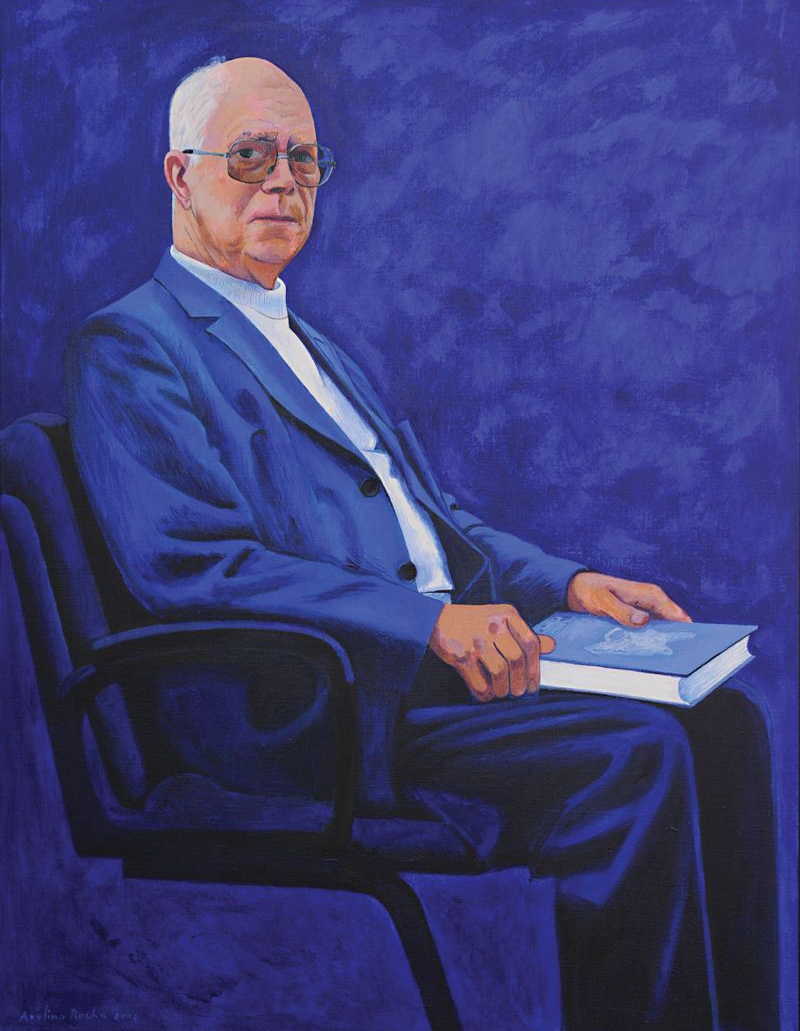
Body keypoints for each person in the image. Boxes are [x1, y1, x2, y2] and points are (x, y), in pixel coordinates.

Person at [65, 57, 777, 1031]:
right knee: (635, 757)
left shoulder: (307, 342)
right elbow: (195, 565)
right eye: (252, 156)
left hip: (418, 677)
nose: (284, 182)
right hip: (311, 711)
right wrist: (427, 624)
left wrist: (568, 583)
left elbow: (438, 522)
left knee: (726, 726)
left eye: (305, 160)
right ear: (179, 175)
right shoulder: (131, 345)